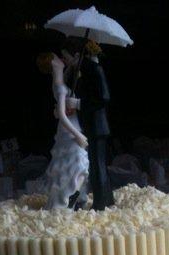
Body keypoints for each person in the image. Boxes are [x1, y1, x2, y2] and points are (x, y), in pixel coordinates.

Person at [62, 40, 114, 211]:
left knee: (98, 165)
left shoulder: (95, 69)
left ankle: (101, 204)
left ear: (77, 55)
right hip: (90, 124)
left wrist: (78, 104)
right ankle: (106, 200)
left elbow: (103, 98)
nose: (66, 60)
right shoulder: (83, 71)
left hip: (97, 125)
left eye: (67, 57)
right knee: (97, 164)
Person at [36, 52, 89, 210]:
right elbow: (61, 115)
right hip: (69, 132)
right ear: (53, 63)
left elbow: (72, 66)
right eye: (57, 57)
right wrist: (77, 135)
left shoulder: (59, 79)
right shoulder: (60, 87)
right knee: (78, 165)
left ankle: (76, 199)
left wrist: (76, 60)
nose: (61, 58)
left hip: (70, 129)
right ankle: (69, 202)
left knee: (78, 166)